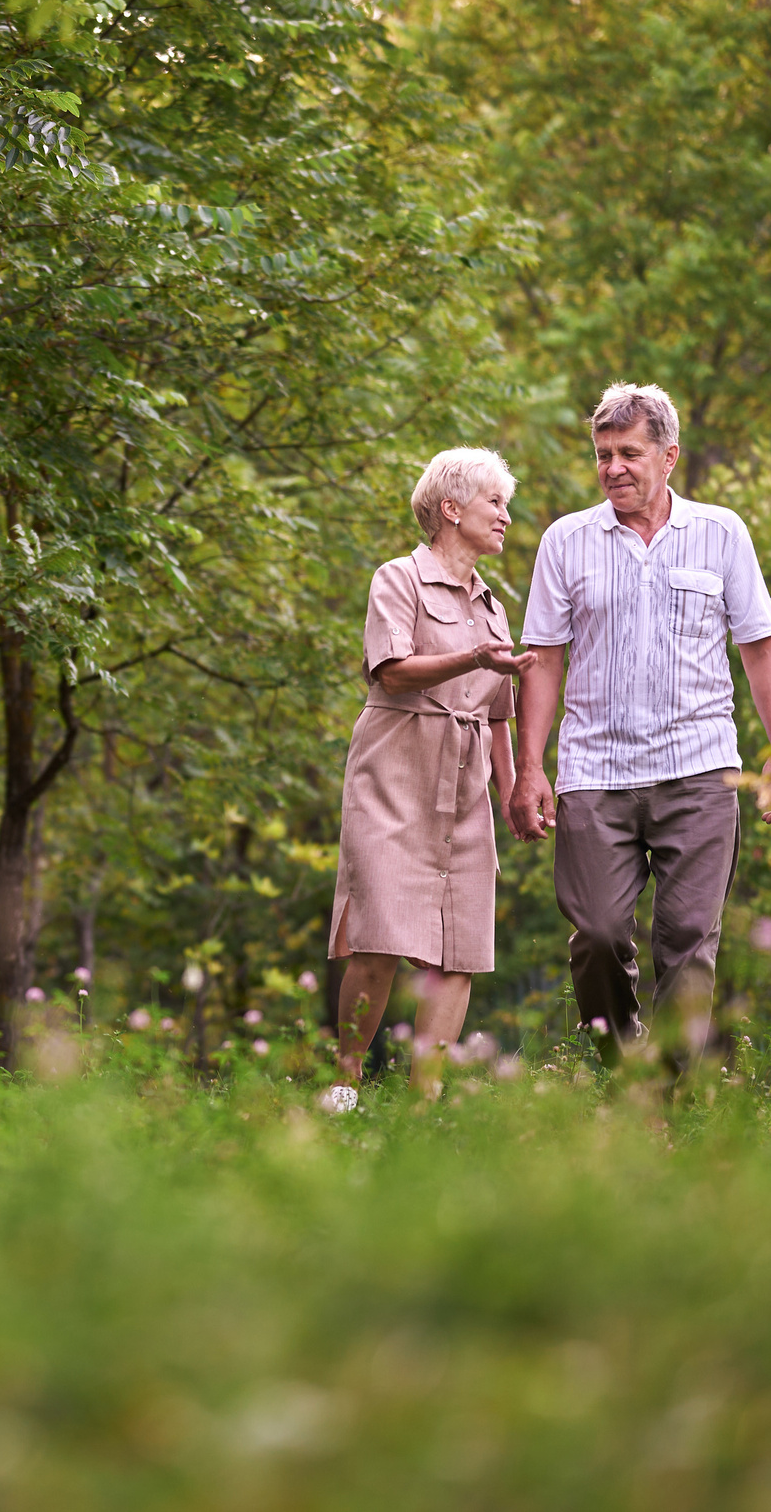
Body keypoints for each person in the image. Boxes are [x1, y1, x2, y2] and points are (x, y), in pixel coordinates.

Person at [507, 383, 771, 1066]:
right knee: (600, 934)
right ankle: (620, 1066)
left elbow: (760, 648)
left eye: (628, 453)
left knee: (689, 939)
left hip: (699, 771)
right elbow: (544, 662)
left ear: (669, 456)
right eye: (603, 454)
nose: (613, 468)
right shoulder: (565, 542)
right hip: (594, 775)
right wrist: (530, 767)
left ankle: (674, 1100)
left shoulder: (721, 532)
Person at [323, 448, 536, 1109]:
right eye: (494, 502)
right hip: (394, 772)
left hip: (465, 787)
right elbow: (390, 669)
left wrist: (515, 792)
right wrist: (470, 656)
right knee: (381, 934)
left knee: (459, 950)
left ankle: (423, 1104)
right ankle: (347, 1082)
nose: (506, 515)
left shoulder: (496, 608)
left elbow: (498, 715)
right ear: (452, 508)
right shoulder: (399, 579)